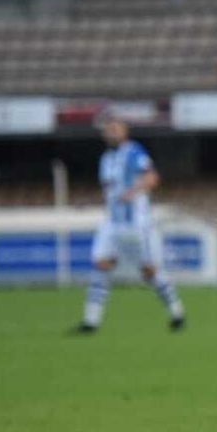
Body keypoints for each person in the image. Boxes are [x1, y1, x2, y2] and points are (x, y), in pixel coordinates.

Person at [76, 115, 185, 333]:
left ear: (125, 131)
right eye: (108, 129)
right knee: (100, 264)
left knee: (150, 271)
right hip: (112, 223)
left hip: (137, 223)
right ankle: (91, 321)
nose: (111, 132)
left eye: (115, 128)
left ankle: (177, 313)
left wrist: (132, 192)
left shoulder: (134, 152)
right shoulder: (106, 158)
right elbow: (109, 190)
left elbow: (152, 178)